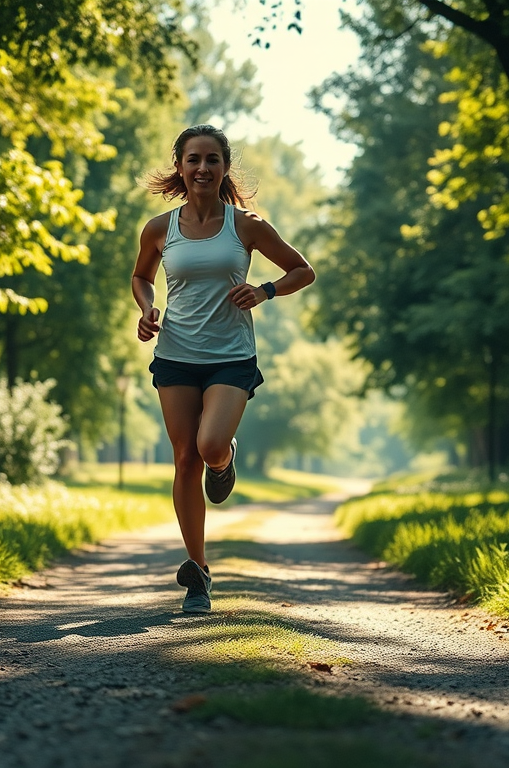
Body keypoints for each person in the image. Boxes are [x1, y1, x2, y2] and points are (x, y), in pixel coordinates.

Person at [131, 124, 315, 614]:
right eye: (193, 159)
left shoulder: (246, 226)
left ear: (225, 167)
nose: (202, 168)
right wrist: (146, 309)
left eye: (212, 160)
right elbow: (141, 277)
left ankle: (225, 458)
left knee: (208, 446)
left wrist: (265, 291)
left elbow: (303, 269)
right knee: (185, 459)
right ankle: (198, 573)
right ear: (180, 166)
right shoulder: (159, 228)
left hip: (231, 354)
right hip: (175, 353)